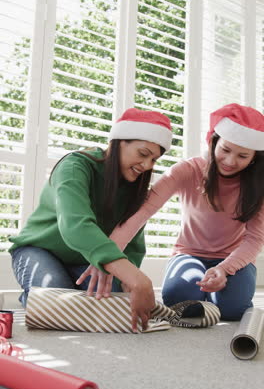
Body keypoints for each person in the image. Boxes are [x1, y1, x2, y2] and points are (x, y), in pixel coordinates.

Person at [78, 103, 264, 321]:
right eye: (225, 150)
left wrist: (225, 269)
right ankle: (207, 294)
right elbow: (143, 210)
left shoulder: (259, 185)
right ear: (214, 142)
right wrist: (108, 256)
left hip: (233, 258)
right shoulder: (189, 169)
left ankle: (218, 294)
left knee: (234, 311)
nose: (230, 161)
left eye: (242, 156)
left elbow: (254, 239)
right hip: (189, 253)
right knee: (181, 302)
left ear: (254, 158)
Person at [9, 107, 173, 331]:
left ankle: (44, 295)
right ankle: (37, 294)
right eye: (143, 154)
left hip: (90, 261)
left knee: (116, 305)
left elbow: (133, 244)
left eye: (154, 159)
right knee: (57, 301)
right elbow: (76, 226)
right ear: (118, 142)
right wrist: (137, 278)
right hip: (40, 250)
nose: (147, 166)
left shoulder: (136, 189)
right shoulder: (74, 166)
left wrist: (126, 279)